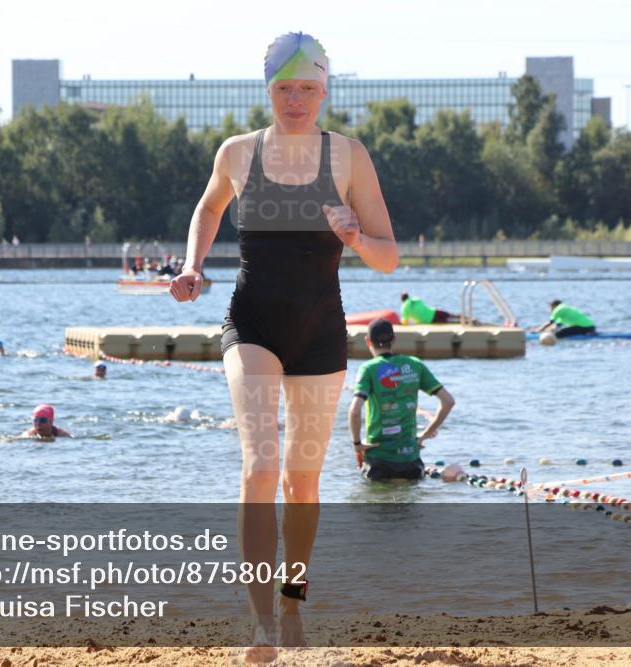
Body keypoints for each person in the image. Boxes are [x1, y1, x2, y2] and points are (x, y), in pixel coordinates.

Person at [169, 31, 398, 658]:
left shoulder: (349, 157)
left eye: (307, 88)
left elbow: (388, 257)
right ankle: (262, 621)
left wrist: (354, 239)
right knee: (260, 467)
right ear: (267, 89)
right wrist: (193, 265)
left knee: (302, 482)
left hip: (322, 329)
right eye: (283, 88)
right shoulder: (238, 153)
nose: (295, 100)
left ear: (324, 90)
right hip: (254, 324)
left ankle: (293, 607)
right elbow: (208, 208)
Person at [348, 319, 456, 481]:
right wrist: (424, 435)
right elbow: (448, 401)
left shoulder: (369, 369)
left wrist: (357, 444)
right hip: (410, 459)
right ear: (394, 340)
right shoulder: (415, 365)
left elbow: (355, 411)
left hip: (379, 458)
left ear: (368, 341)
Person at [532, 299, 597, 338]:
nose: (550, 309)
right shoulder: (565, 308)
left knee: (558, 334)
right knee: (559, 331)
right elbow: (558, 325)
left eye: (550, 307)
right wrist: (546, 330)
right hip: (591, 327)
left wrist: (538, 330)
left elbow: (550, 322)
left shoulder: (558, 310)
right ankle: (589, 333)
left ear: (554, 305)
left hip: (583, 328)